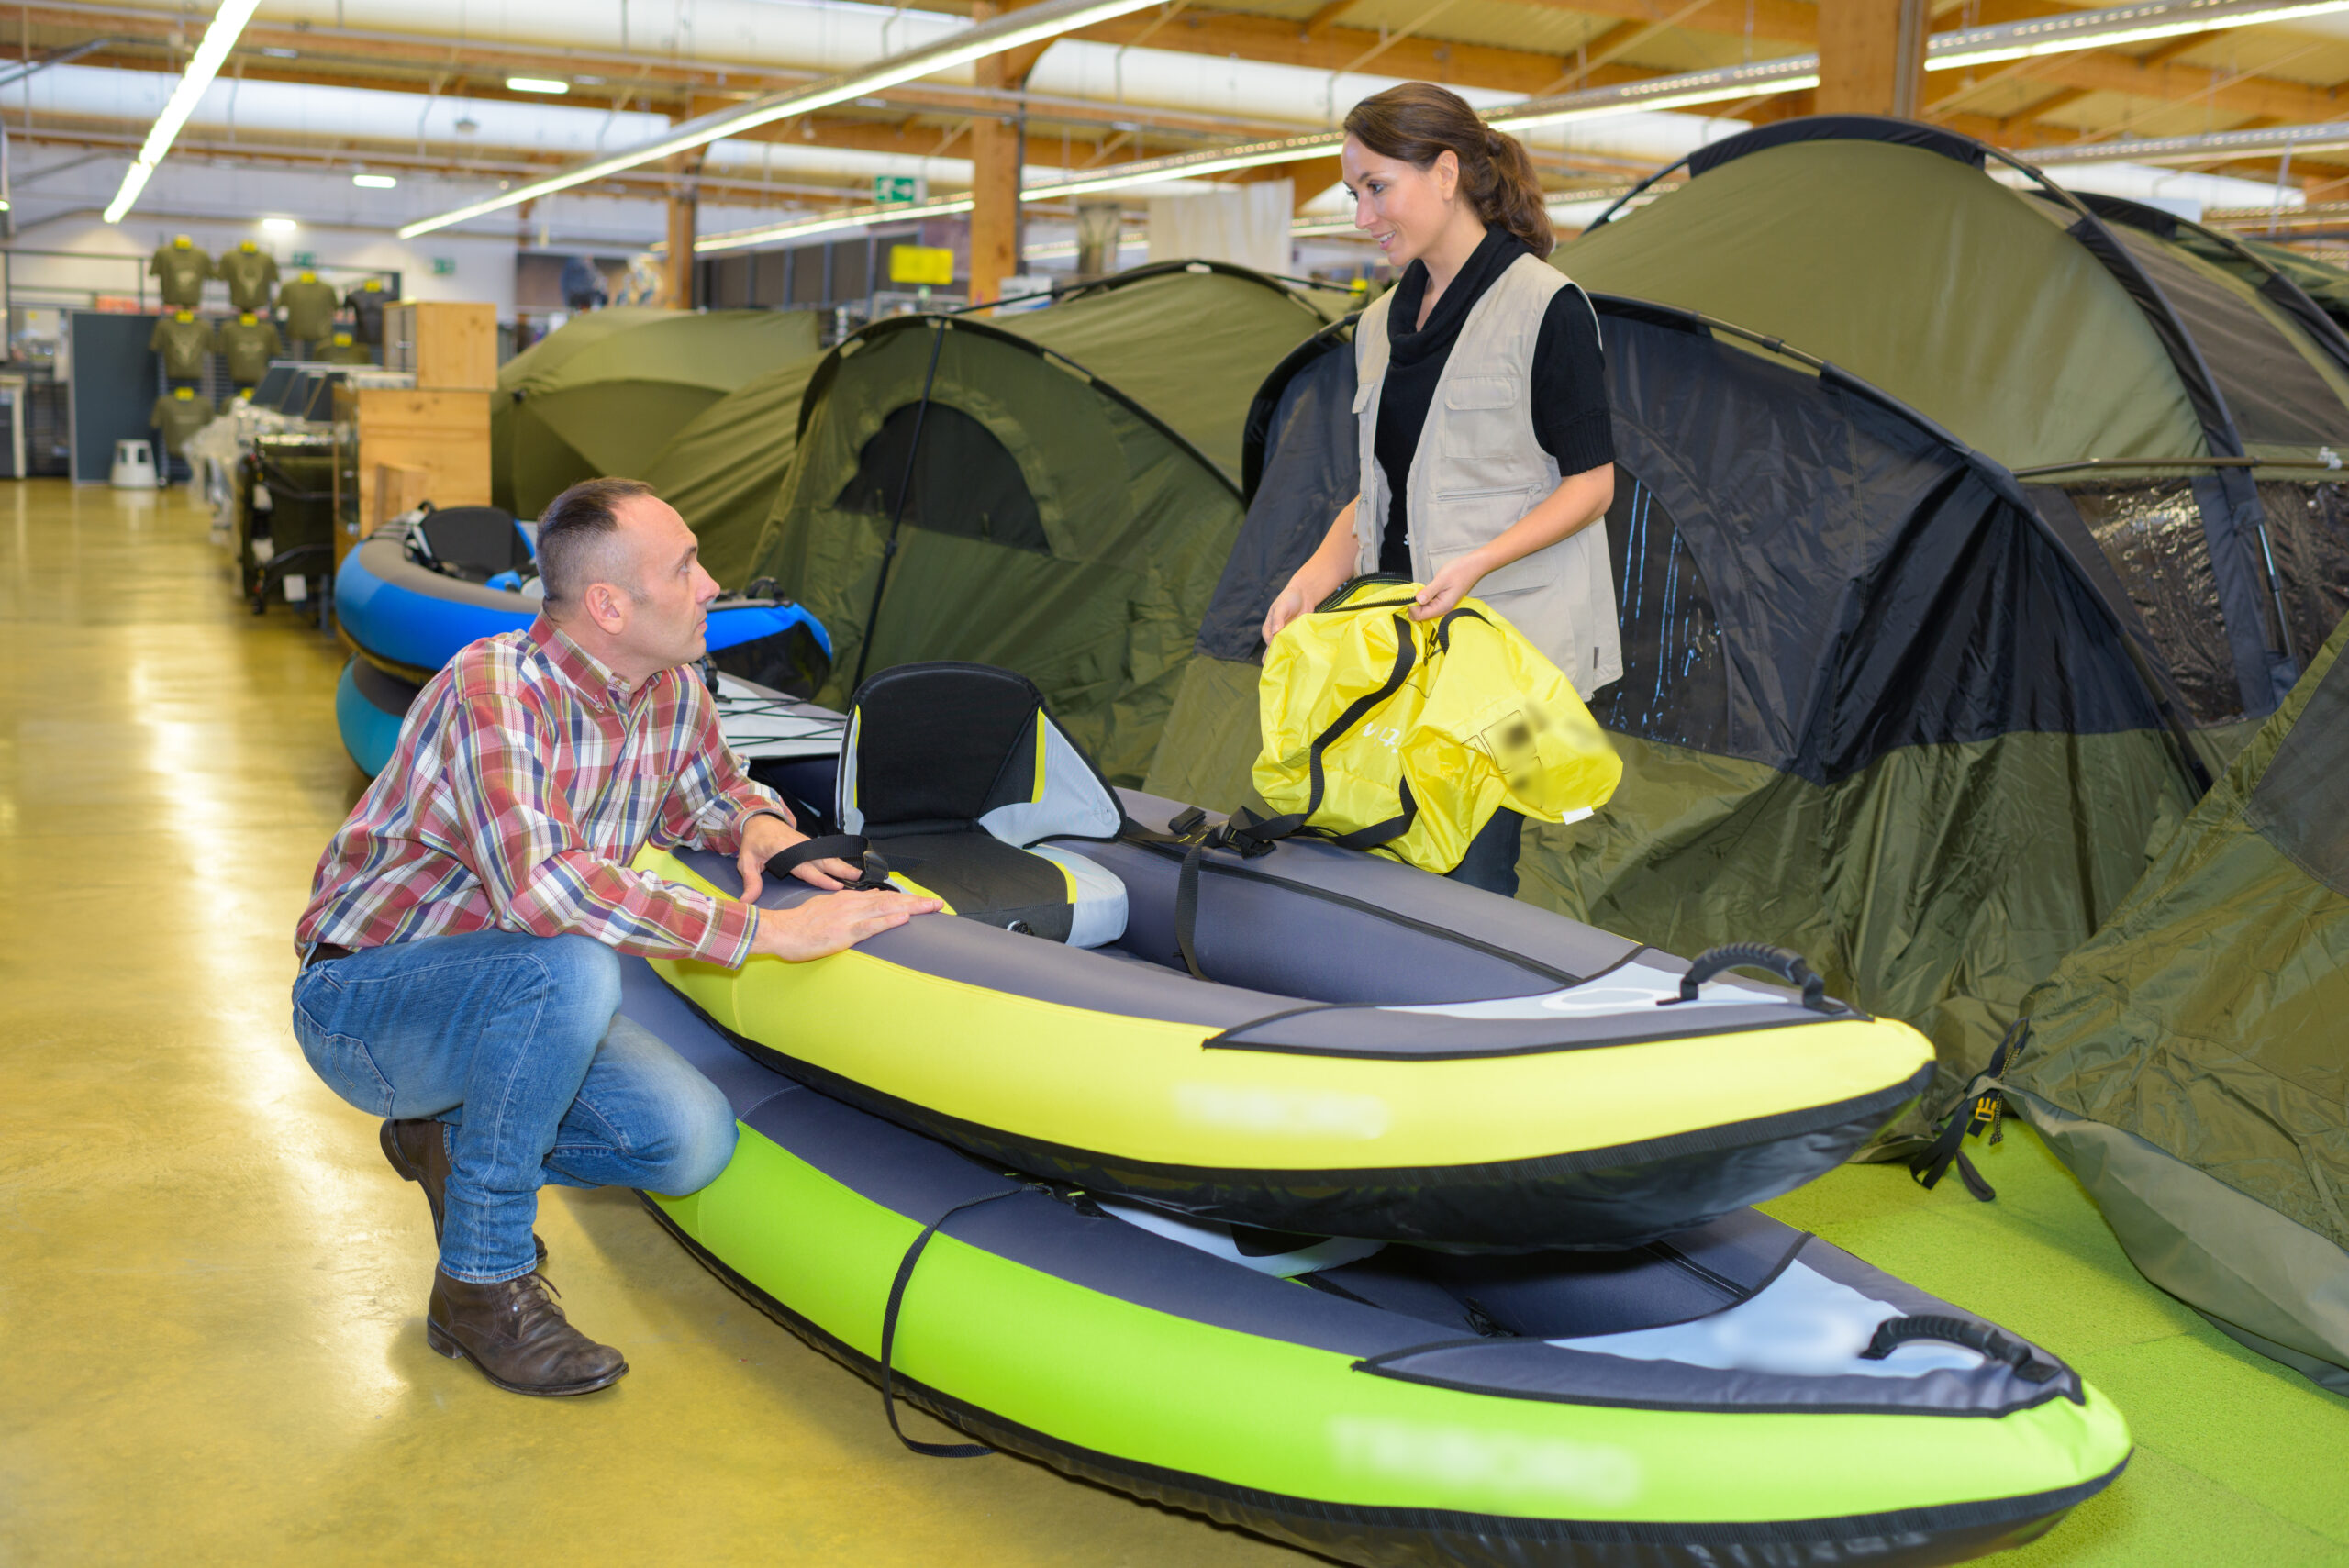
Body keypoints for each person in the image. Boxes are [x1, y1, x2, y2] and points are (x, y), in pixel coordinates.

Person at [290, 477, 940, 1397]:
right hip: (366, 1003)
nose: (711, 583)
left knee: (687, 1141)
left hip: (507, 996)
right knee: (571, 965)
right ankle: (481, 1283)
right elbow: (545, 889)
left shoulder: (670, 691)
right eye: (685, 567)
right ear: (608, 603)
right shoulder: (494, 688)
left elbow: (712, 791)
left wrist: (760, 825)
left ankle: (448, 1133)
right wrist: (769, 933)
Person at [1261, 83, 1620, 898]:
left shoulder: (1547, 307)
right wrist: (1317, 572)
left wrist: (1477, 563)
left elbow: (1591, 485)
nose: (1361, 216)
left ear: (1448, 172)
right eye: (1354, 193)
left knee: (1482, 866)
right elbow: (1380, 488)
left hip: (1516, 652)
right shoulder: (1378, 323)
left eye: (1377, 187)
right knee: (1393, 844)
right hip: (1407, 640)